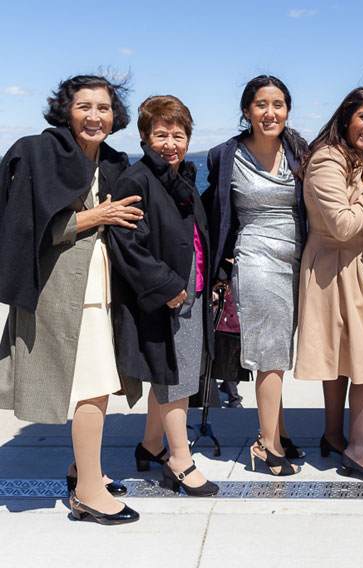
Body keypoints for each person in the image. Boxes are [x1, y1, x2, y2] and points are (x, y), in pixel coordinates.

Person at [0, 75, 142, 524]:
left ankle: (86, 470)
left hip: (102, 291)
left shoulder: (115, 161)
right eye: (84, 106)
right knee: (93, 390)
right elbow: (23, 230)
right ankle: (87, 493)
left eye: (103, 108)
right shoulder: (38, 154)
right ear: (66, 110)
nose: (94, 116)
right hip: (60, 293)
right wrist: (92, 217)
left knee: (99, 386)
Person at [107, 95, 219, 497]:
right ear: (143, 136)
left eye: (178, 135)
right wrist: (168, 287)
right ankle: (179, 460)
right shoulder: (137, 179)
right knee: (177, 377)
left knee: (174, 372)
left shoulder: (179, 178)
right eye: (161, 135)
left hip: (194, 287)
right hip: (169, 293)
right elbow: (126, 242)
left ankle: (150, 445)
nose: (170, 143)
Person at [294, 87, 363, 482]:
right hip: (335, 263)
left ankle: (334, 435)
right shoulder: (327, 160)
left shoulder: (352, 159)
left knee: (341, 358)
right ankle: (358, 449)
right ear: (345, 117)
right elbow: (341, 224)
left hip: (348, 265)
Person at [203, 75, 308, 475]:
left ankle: (277, 431)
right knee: (270, 352)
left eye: (278, 104)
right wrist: (217, 268)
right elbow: (214, 209)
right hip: (257, 255)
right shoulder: (224, 155)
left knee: (279, 350)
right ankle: (267, 445)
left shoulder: (299, 150)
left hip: (298, 259)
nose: (270, 112)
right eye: (261, 104)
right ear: (247, 111)